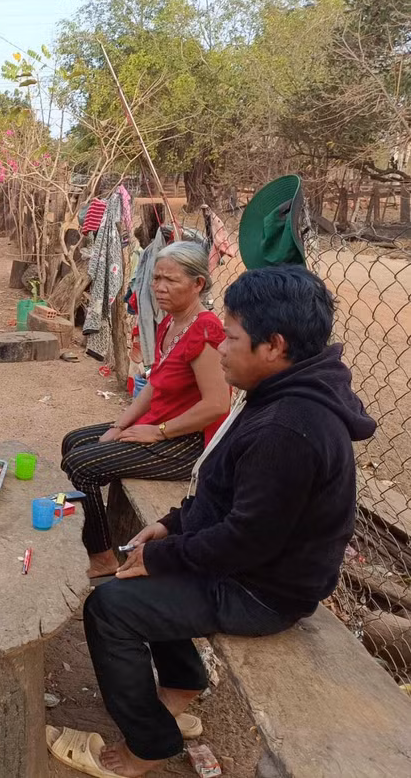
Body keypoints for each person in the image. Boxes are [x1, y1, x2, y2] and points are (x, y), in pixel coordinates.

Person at [78, 266, 376, 777]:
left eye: (232, 337)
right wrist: (171, 526)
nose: (220, 348)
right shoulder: (282, 393)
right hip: (254, 564)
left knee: (109, 608)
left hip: (265, 590)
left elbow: (245, 540)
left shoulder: (289, 427)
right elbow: (223, 494)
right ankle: (184, 678)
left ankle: (147, 746)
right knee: (144, 570)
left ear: (273, 346)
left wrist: (164, 555)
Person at [61, 241, 230, 581]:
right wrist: (119, 424)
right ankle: (102, 537)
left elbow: (217, 405)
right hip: (162, 426)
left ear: (198, 284)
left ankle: (102, 556)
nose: (159, 287)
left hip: (189, 443)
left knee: (83, 465)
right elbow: (154, 386)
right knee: (74, 442)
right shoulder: (171, 323)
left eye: (171, 280)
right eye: (156, 278)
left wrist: (159, 431)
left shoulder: (206, 330)